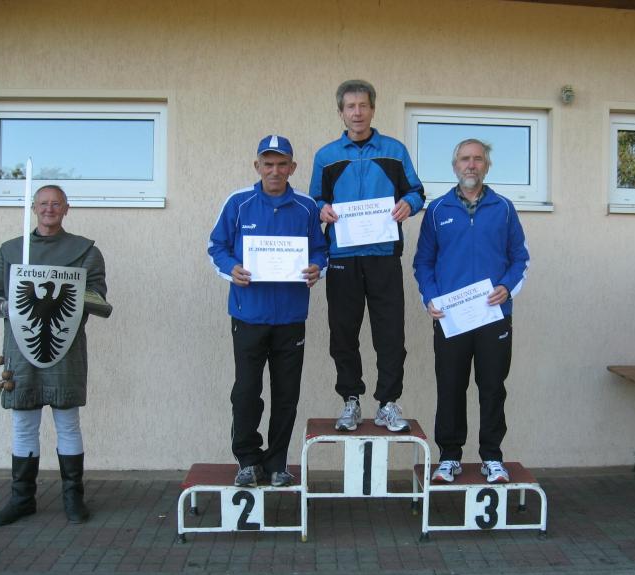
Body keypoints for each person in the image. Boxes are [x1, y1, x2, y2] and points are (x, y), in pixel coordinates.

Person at [0, 185, 111, 526]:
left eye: (56, 204)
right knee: (24, 422)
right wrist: (3, 305)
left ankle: (73, 498)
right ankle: (22, 499)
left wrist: (75, 294)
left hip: (64, 347)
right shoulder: (10, 251)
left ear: (66, 208)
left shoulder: (86, 252)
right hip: (20, 347)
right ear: (34, 207)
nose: (49, 209)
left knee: (67, 422)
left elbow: (98, 299)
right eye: (43, 203)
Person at [209, 135, 327, 487]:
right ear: (257, 166)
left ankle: (277, 464)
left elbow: (321, 250)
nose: (274, 171)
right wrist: (231, 269)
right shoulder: (238, 203)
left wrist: (317, 268)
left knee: (286, 394)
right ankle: (248, 460)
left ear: (292, 167)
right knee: (246, 392)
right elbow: (216, 246)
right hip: (248, 315)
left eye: (281, 164)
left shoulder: (306, 206)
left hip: (291, 318)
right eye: (268, 164)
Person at [309, 79, 425, 433]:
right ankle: (351, 400)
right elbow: (315, 199)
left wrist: (409, 204)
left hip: (383, 254)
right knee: (343, 333)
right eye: (350, 107)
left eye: (363, 106)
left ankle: (387, 403)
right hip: (342, 257)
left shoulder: (394, 150)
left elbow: (416, 192)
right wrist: (322, 209)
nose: (357, 112)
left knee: (390, 333)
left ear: (373, 109)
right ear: (341, 112)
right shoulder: (327, 156)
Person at [413, 139, 529, 484]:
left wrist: (507, 286)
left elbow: (520, 258)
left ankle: (492, 457)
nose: (471, 165)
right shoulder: (438, 210)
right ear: (454, 166)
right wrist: (430, 298)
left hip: (494, 317)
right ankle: (449, 457)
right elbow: (423, 262)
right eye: (465, 159)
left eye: (478, 159)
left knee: (492, 388)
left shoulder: (504, 208)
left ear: (487, 166)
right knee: (450, 387)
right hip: (452, 319)